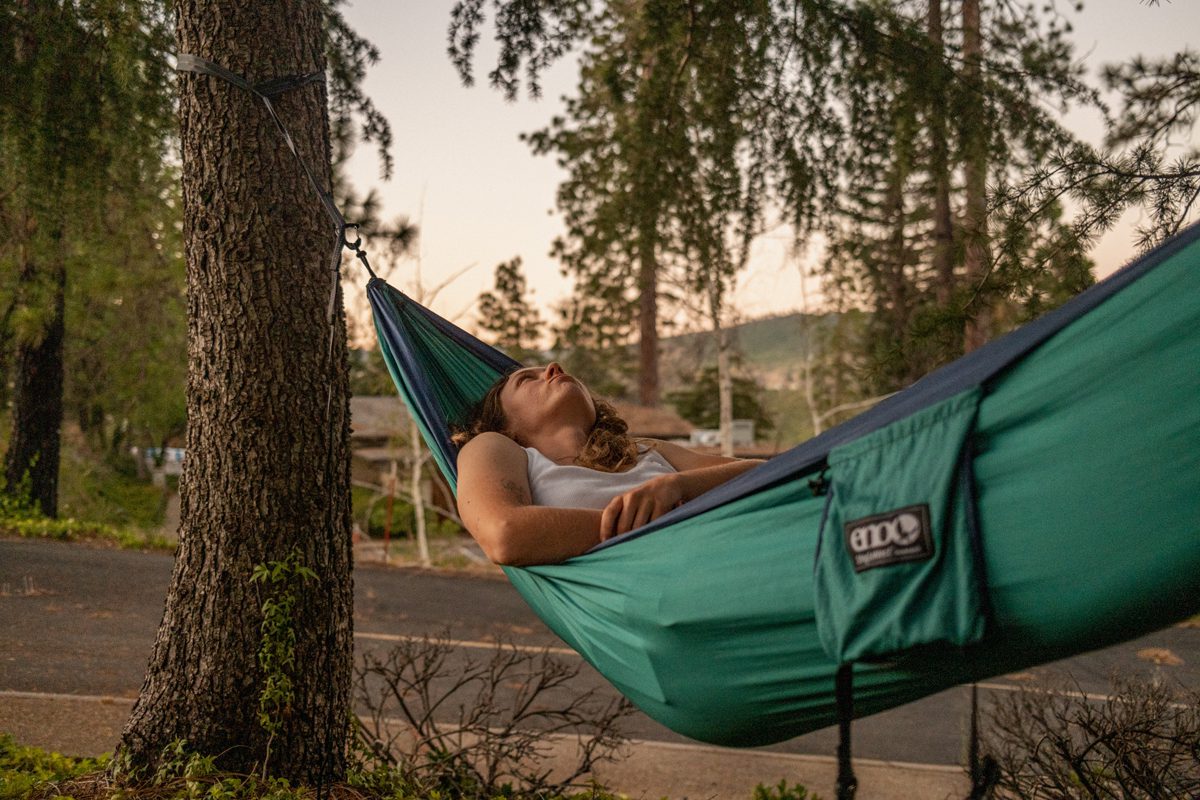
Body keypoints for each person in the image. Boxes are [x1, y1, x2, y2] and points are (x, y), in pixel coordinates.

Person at [453, 362, 764, 566]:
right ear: (505, 425)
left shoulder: (645, 450)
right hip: (667, 593)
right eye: (526, 380)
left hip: (741, 554)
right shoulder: (496, 446)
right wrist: (652, 520)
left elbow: (767, 475)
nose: (552, 368)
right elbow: (505, 534)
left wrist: (676, 486)